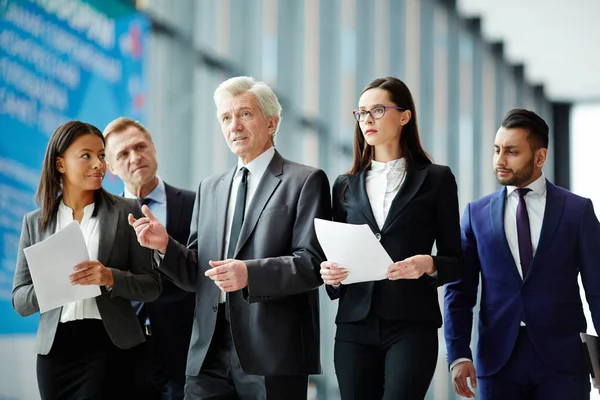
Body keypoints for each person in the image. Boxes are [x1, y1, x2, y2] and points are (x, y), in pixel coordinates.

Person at [129, 76, 332, 399]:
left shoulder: (305, 181)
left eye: (244, 114)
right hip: (207, 352)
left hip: (272, 352)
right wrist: (165, 246)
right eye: (226, 118)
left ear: (271, 122)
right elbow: (197, 272)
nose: (234, 125)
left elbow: (311, 264)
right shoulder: (210, 188)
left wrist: (249, 274)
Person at [320, 76, 462, 399]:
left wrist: (428, 264)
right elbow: (334, 260)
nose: (367, 119)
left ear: (404, 116)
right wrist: (331, 276)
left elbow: (455, 261)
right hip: (355, 326)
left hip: (412, 325)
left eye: (378, 110)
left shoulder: (437, 180)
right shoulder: (344, 185)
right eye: (361, 113)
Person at [444, 108, 600, 400]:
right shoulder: (475, 214)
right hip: (497, 362)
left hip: (564, 362)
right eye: (497, 150)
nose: (500, 160)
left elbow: (598, 288)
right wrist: (458, 354)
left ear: (540, 157)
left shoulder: (577, 211)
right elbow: (459, 291)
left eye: (512, 152)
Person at [12, 120, 162, 399]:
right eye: (87, 156)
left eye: (102, 155)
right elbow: (19, 300)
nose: (98, 164)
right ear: (60, 164)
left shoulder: (128, 211)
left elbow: (152, 286)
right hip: (54, 355)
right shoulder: (35, 223)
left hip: (110, 347)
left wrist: (110, 277)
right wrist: (51, 285)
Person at [103, 117, 196, 399]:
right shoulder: (103, 216)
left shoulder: (196, 203)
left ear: (153, 148)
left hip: (184, 354)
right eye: (123, 153)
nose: (135, 156)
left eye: (140, 146)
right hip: (123, 354)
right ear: (111, 167)